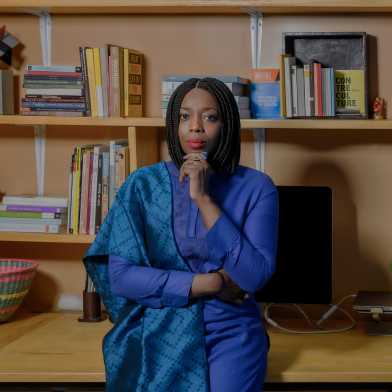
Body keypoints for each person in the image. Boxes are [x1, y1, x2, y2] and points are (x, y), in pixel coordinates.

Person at [83, 77, 279, 392]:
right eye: (185, 116)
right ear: (174, 124)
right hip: (159, 327)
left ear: (227, 124)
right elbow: (121, 278)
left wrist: (203, 199)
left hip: (230, 332)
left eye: (210, 117)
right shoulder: (143, 186)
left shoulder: (257, 187)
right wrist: (209, 283)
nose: (196, 127)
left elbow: (254, 276)